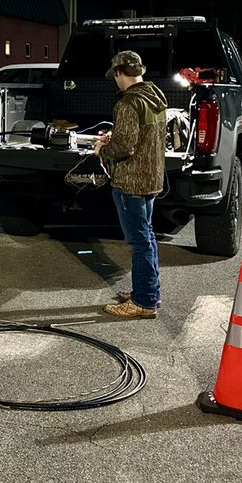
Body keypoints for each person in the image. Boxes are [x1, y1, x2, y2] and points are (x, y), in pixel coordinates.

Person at [94, 50, 168, 319]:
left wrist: (103, 147)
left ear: (118, 73)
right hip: (151, 177)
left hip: (130, 180)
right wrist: (118, 136)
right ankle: (149, 291)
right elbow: (145, 136)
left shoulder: (127, 103)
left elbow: (124, 146)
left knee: (139, 242)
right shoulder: (154, 97)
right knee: (147, 237)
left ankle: (144, 301)